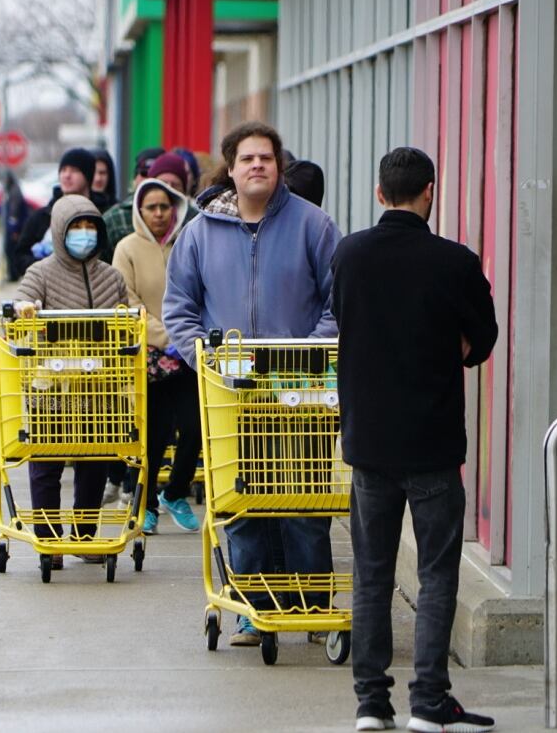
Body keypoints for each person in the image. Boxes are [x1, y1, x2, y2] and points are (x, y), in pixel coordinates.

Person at [331, 147, 498, 733]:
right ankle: (429, 701)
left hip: (369, 442)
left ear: (380, 193)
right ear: (431, 191)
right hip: (431, 440)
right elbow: (483, 339)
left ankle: (371, 706)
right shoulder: (454, 261)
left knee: (372, 574)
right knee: (437, 574)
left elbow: (345, 320)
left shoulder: (349, 254)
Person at [163, 120, 341, 646]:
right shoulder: (198, 232)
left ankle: (311, 602)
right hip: (232, 394)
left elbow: (339, 300)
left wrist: (305, 354)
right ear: (231, 168)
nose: (257, 165)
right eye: (247, 159)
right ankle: (250, 605)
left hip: (300, 392)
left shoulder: (314, 225)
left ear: (279, 166)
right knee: (242, 502)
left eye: (267, 157)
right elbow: (180, 309)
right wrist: (213, 364)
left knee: (304, 500)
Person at [12, 194, 128, 571]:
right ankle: (49, 539)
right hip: (51, 388)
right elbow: (22, 303)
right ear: (60, 231)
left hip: (98, 388)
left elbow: (124, 322)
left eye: (89, 227)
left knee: (93, 458)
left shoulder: (111, 277)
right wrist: (25, 309)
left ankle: (83, 536)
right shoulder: (41, 273)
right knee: (47, 462)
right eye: (75, 227)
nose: (83, 234)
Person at [102, 151, 201, 506]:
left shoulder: (189, 241)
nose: (159, 213)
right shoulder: (126, 248)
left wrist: (187, 338)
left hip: (189, 354)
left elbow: (199, 291)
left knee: (194, 428)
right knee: (154, 435)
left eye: (165, 206)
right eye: (151, 207)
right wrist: (166, 336)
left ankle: (175, 493)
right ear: (139, 212)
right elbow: (127, 301)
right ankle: (145, 505)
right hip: (151, 357)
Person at [13, 147, 96, 278]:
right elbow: (19, 257)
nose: (67, 175)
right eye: (63, 170)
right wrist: (46, 268)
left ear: (88, 176)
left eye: (74, 170)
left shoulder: (100, 215)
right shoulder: (42, 216)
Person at [102, 147, 165, 264]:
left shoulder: (184, 217)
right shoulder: (114, 218)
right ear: (135, 178)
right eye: (144, 173)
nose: (149, 179)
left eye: (156, 173)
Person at [2, 170, 29, 281]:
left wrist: (14, 230)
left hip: (15, 229)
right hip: (17, 228)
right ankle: (13, 273)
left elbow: (14, 213)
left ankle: (13, 274)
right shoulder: (15, 190)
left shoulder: (14, 192)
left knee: (10, 251)